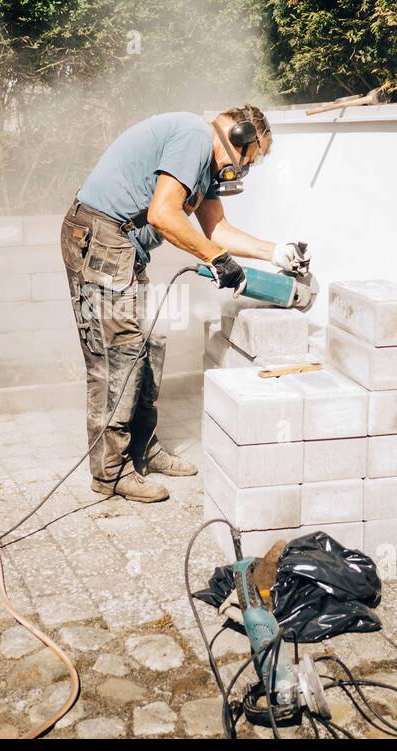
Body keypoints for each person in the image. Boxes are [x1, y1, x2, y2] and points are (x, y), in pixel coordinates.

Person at [58, 104, 311, 502]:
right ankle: (110, 472)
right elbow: (162, 214)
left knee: (147, 342)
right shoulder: (195, 137)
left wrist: (274, 252)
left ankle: (143, 447)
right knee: (117, 354)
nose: (244, 171)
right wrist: (216, 258)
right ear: (242, 139)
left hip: (122, 247)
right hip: (100, 237)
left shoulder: (205, 164)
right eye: (251, 161)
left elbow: (217, 229)